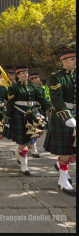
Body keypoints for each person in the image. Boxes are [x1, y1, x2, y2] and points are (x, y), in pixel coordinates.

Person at [4, 66, 51, 175]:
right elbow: (10, 103)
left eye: (26, 72)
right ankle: (24, 166)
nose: (25, 74)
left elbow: (41, 99)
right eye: (22, 73)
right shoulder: (13, 87)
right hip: (19, 115)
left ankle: (17, 152)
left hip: (32, 115)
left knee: (34, 137)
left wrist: (51, 108)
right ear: (18, 75)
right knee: (23, 142)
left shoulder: (33, 87)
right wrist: (7, 118)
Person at [43, 49, 76, 196]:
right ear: (64, 61)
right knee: (66, 150)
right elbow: (56, 98)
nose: (75, 61)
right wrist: (67, 116)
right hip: (64, 115)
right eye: (72, 59)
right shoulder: (56, 77)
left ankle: (60, 166)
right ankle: (63, 180)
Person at [28, 72, 45, 158]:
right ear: (31, 80)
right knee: (34, 129)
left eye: (38, 78)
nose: (38, 80)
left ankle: (30, 145)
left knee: (42, 130)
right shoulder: (29, 88)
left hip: (40, 110)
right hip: (32, 110)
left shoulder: (41, 88)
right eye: (35, 78)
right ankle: (33, 149)